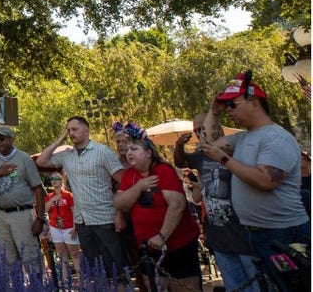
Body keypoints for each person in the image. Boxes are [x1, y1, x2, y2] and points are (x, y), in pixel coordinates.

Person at [203, 73, 309, 292]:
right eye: (226, 106)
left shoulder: (276, 137)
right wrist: (213, 111)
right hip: (258, 233)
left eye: (232, 105)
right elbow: (207, 143)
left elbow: (266, 180)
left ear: (254, 104)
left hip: (285, 234)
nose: (229, 111)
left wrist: (224, 159)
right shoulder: (243, 137)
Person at [37, 116, 129, 286]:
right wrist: (59, 141)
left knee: (117, 271)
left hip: (105, 219)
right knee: (96, 271)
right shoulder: (66, 156)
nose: (71, 133)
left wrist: (120, 213)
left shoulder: (102, 152)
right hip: (82, 222)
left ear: (86, 130)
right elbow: (41, 161)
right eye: (68, 130)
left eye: (74, 129)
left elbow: (123, 182)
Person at [173, 112, 259, 292]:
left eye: (202, 128)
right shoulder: (201, 155)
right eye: (196, 130)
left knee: (256, 286)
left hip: (245, 233)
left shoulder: (236, 149)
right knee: (234, 286)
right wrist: (179, 146)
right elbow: (180, 162)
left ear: (217, 127)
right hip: (219, 236)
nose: (199, 133)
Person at [112, 124, 203, 291]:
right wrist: (139, 187)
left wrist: (162, 236)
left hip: (178, 246)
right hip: (147, 249)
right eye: (128, 149)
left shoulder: (163, 170)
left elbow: (177, 205)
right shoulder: (129, 176)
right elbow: (119, 203)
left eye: (134, 148)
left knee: (185, 287)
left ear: (148, 153)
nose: (129, 152)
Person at [0, 125, 45, 281]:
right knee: (8, 260)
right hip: (1, 215)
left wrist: (40, 219)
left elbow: (38, 189)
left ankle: (38, 286)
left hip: (21, 213)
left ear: (11, 139)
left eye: (2, 138)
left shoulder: (24, 158)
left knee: (30, 258)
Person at [44, 173, 82, 283]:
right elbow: (45, 210)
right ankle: (65, 281)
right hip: (55, 228)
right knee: (62, 255)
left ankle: (80, 279)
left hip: (69, 227)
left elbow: (75, 212)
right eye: (52, 179)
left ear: (62, 181)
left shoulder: (68, 195)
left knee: (74, 253)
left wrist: (75, 228)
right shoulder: (49, 196)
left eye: (57, 178)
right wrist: (52, 200)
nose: (54, 181)